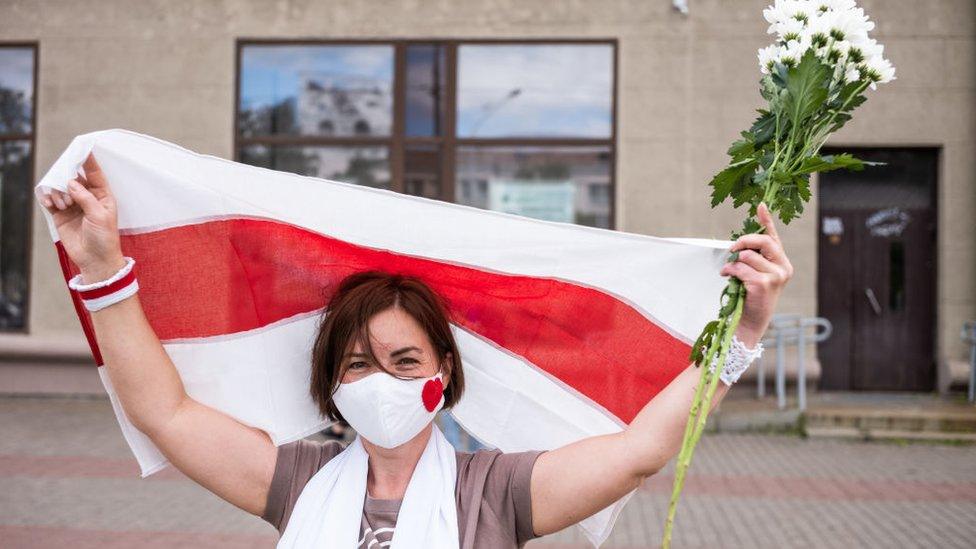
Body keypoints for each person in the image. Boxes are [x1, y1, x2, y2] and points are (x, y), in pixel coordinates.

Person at [38, 153, 793, 548]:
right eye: (359, 363)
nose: (382, 381)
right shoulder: (296, 479)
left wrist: (744, 335)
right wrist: (104, 271)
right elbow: (162, 411)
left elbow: (636, 451)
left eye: (405, 361)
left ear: (443, 374)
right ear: (332, 383)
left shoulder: (496, 492)